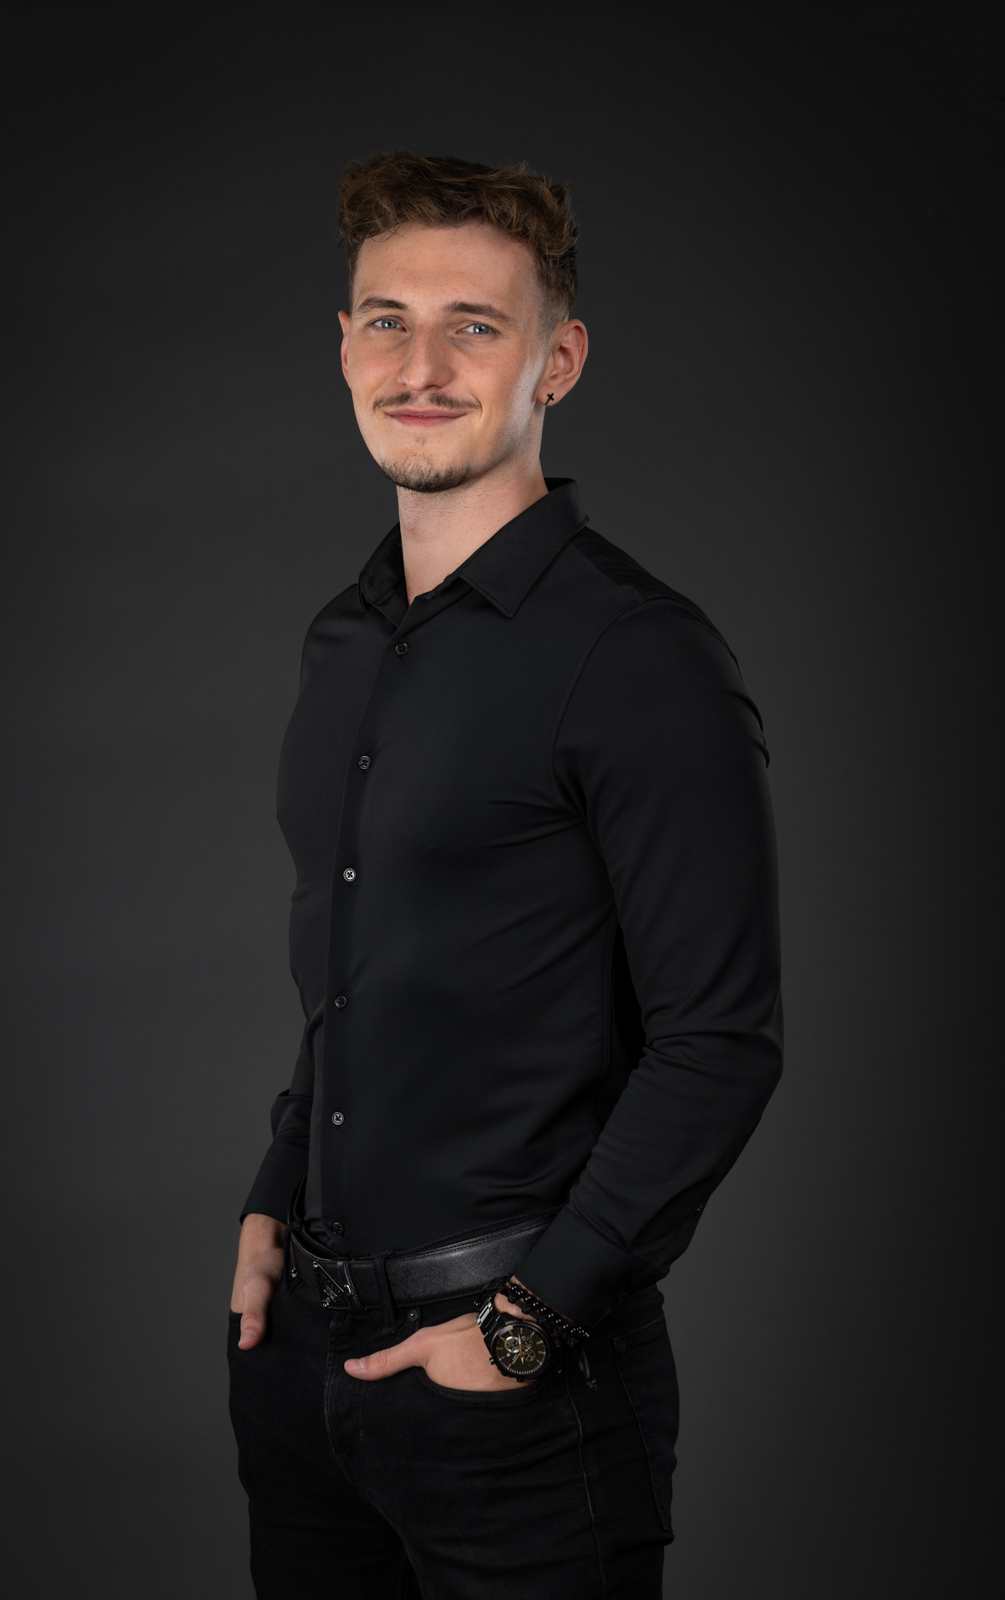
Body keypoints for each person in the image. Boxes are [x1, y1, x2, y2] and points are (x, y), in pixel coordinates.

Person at [227, 150, 783, 1600]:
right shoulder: (343, 638)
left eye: (473, 325)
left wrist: (529, 1324)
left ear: (559, 360)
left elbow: (720, 1042)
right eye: (386, 321)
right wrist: (272, 1201)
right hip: (304, 1369)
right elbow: (357, 974)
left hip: (522, 1393)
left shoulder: (641, 656)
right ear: (343, 347)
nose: (419, 367)